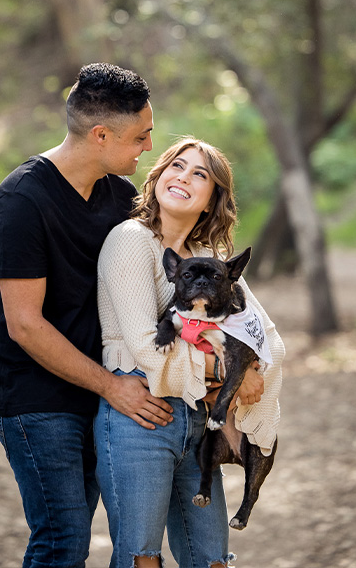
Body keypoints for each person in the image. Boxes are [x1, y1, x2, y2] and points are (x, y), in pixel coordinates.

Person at [0, 63, 175, 568]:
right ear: (101, 134)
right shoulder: (20, 204)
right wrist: (112, 386)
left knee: (112, 533)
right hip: (36, 396)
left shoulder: (120, 195)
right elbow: (24, 325)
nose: (149, 148)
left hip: (103, 387)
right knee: (62, 539)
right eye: (141, 136)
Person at [95, 137, 285, 568]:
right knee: (141, 560)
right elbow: (147, 346)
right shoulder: (131, 241)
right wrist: (231, 370)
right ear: (158, 174)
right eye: (176, 166)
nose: (183, 176)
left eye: (199, 174)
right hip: (140, 418)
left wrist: (252, 368)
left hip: (199, 424)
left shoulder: (207, 257)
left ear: (212, 200)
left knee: (213, 560)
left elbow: (268, 338)